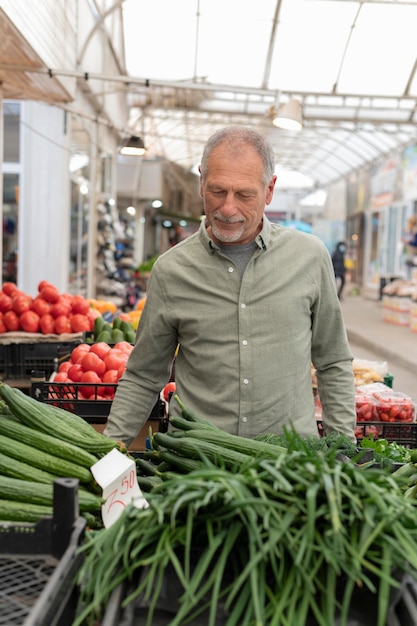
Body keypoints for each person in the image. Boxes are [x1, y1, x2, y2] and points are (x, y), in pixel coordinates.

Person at [104, 126, 356, 446]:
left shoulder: (308, 257)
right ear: (201, 182)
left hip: (290, 468)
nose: (227, 208)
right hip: (195, 462)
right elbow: (143, 376)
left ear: (269, 190)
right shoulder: (172, 271)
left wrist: (344, 450)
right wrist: (109, 451)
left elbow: (332, 361)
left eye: (245, 194)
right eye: (218, 191)